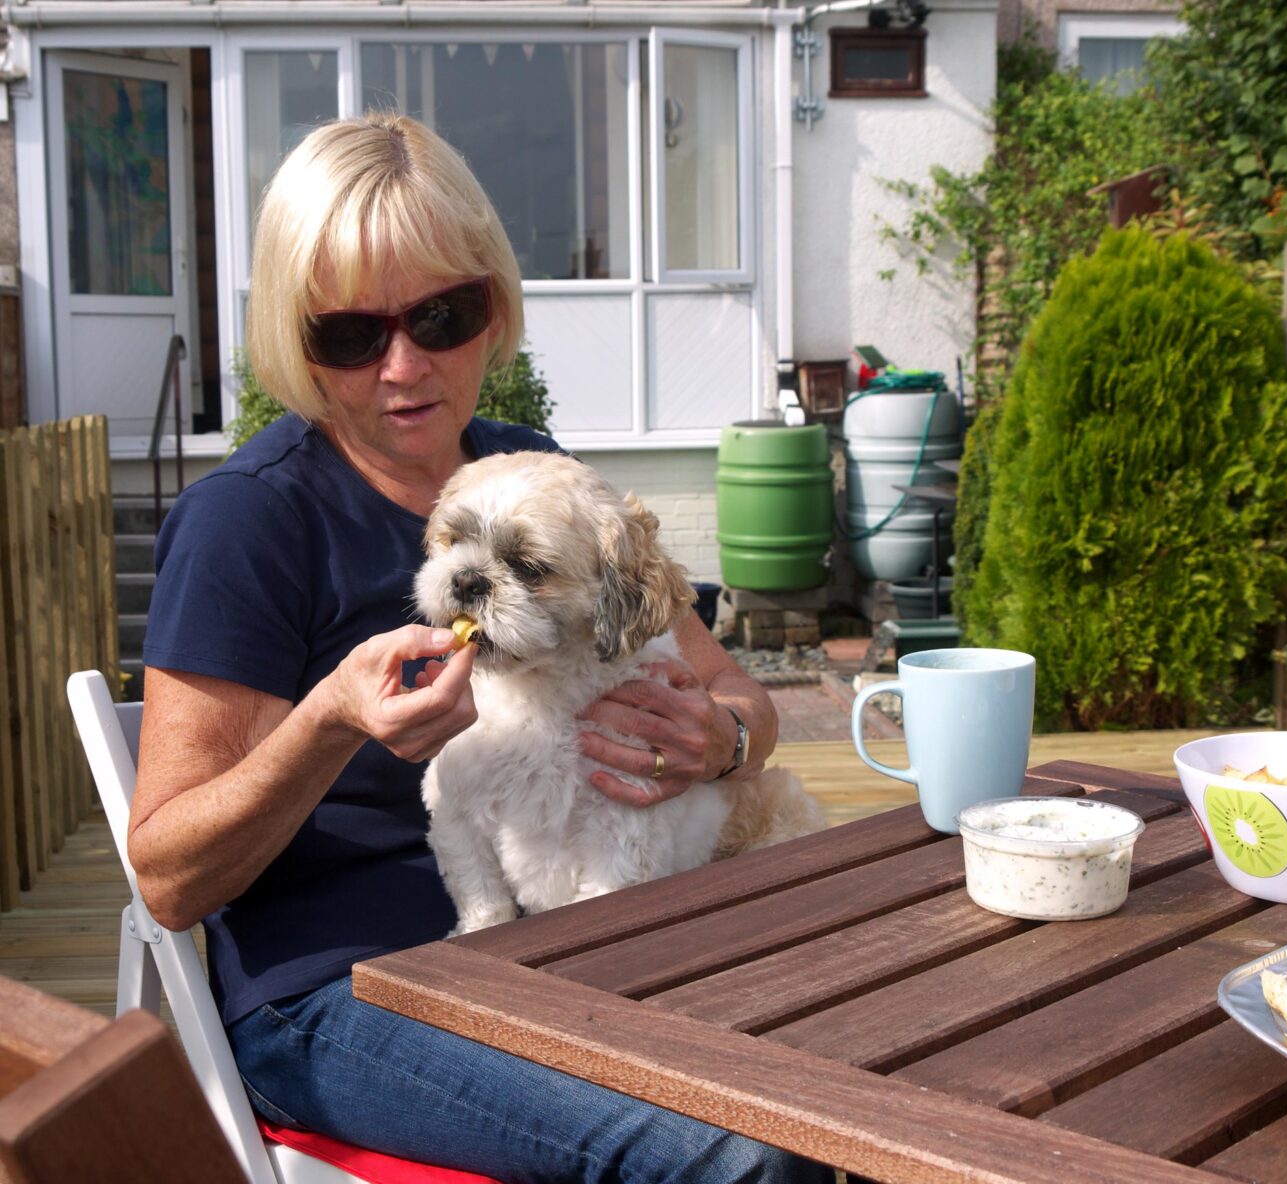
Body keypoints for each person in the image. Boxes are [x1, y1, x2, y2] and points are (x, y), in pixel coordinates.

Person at [133, 111, 832, 1184]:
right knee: (743, 1156)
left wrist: (720, 740)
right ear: (294, 335)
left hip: (574, 941)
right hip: (338, 989)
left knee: (872, 1056)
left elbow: (737, 690)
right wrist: (328, 719)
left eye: (441, 316)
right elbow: (170, 875)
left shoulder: (527, 474)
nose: (404, 367)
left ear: (492, 309)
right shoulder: (250, 521)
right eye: (351, 335)